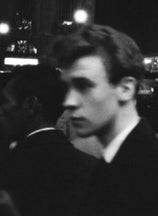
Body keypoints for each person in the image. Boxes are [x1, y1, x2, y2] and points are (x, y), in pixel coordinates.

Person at [47, 24, 158, 216]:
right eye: (68, 87)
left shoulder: (149, 174)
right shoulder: (127, 158)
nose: (69, 101)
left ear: (126, 89)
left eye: (83, 86)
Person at [0, 64, 97, 216]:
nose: (2, 110)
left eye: (5, 101)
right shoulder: (91, 167)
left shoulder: (10, 166)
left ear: (31, 105)